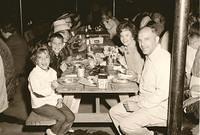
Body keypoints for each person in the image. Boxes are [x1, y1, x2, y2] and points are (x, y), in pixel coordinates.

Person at [109, 25, 171, 135]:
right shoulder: (150, 55)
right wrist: (136, 77)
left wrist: (140, 105)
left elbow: (163, 93)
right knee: (114, 112)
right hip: (146, 98)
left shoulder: (163, 59)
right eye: (140, 40)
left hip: (161, 106)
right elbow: (148, 83)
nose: (142, 44)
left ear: (156, 39)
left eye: (147, 39)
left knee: (126, 126)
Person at [28, 45, 75, 135]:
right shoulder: (34, 74)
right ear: (35, 60)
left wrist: (60, 99)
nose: (44, 61)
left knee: (71, 117)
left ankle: (60, 133)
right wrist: (52, 88)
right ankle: (51, 132)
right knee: (61, 118)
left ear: (50, 58)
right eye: (40, 58)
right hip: (40, 104)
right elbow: (39, 93)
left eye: (46, 57)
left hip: (53, 101)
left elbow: (56, 89)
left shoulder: (52, 72)